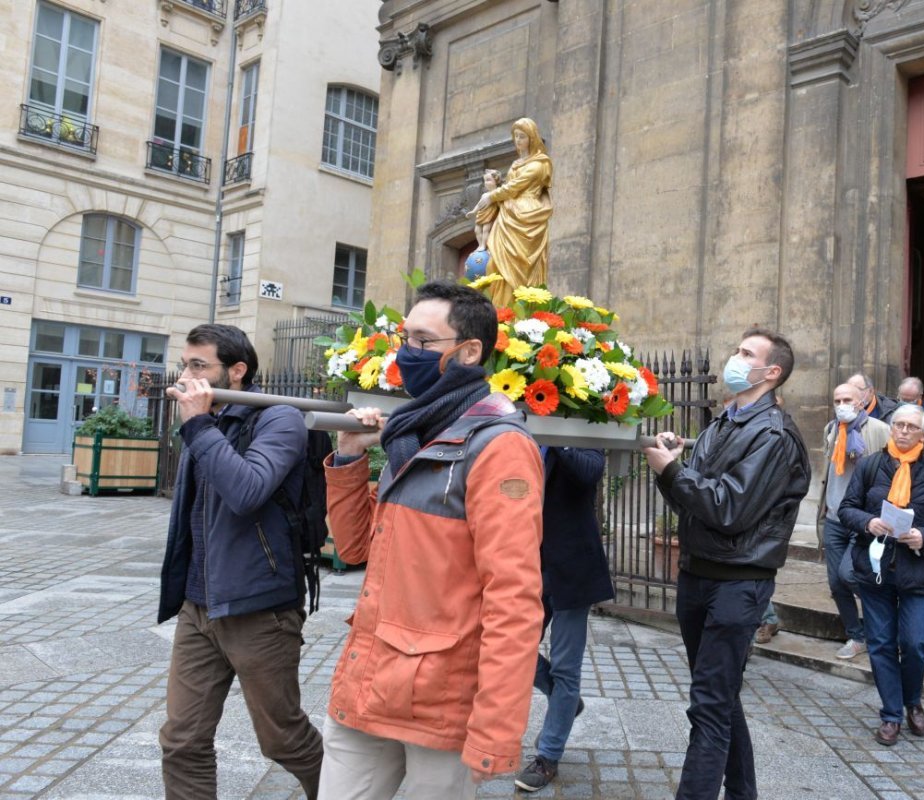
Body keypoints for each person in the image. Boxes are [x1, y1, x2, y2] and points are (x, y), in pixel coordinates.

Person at [319, 281, 545, 799]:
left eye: (422, 342)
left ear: (468, 353)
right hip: (370, 681)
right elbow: (354, 549)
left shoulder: (499, 446)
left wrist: (496, 729)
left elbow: (514, 598)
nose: (405, 353)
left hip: (440, 702)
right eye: (404, 338)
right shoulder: (412, 433)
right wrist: (351, 455)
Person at [643, 326, 810, 800]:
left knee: (709, 707)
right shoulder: (722, 423)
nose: (734, 359)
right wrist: (673, 468)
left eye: (745, 353)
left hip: (738, 584)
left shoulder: (775, 435)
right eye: (737, 350)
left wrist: (672, 472)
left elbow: (730, 509)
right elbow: (695, 503)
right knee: (720, 698)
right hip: (698, 574)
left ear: (771, 372)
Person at [157, 324, 324, 799]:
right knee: (182, 739)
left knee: (283, 739)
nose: (186, 375)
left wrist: (198, 425)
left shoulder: (278, 419)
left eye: (198, 365)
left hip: (259, 609)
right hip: (198, 606)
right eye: (184, 364)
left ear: (236, 370)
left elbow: (247, 491)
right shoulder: (205, 419)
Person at [838, 404, 924, 746]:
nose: (903, 431)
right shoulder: (870, 465)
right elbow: (847, 508)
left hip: (917, 571)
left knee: (916, 644)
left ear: (923, 435)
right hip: (875, 570)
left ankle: (913, 700)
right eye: (898, 425)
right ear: (891, 429)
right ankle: (891, 714)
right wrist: (868, 522)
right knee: (880, 644)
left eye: (911, 427)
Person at [516, 447, 615, 793]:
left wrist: (557, 433)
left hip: (574, 565)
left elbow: (590, 472)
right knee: (513, 650)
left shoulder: (581, 428)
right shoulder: (518, 429)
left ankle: (548, 755)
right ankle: (566, 701)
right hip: (526, 564)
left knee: (565, 667)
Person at [820, 382, 890, 659]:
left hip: (863, 518)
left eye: (847, 399)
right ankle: (856, 636)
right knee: (836, 584)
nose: (841, 405)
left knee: (849, 574)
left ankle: (882, 619)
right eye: (837, 400)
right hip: (834, 516)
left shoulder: (880, 430)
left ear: (862, 401)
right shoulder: (831, 429)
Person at [476, 118, 553, 307]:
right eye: (515, 137)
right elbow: (510, 187)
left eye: (522, 137)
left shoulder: (539, 164)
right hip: (508, 216)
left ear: (532, 138)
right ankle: (500, 311)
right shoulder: (517, 163)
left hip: (527, 215)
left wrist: (492, 196)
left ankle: (519, 314)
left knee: (521, 267)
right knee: (495, 265)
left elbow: (516, 187)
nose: (518, 141)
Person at [470, 169, 501, 252]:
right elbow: (479, 205)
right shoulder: (484, 194)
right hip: (481, 213)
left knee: (485, 230)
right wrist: (473, 211)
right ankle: (480, 244)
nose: (486, 183)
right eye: (485, 181)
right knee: (477, 230)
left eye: (488, 180)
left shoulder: (498, 193)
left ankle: (484, 245)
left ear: (496, 181)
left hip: (490, 214)